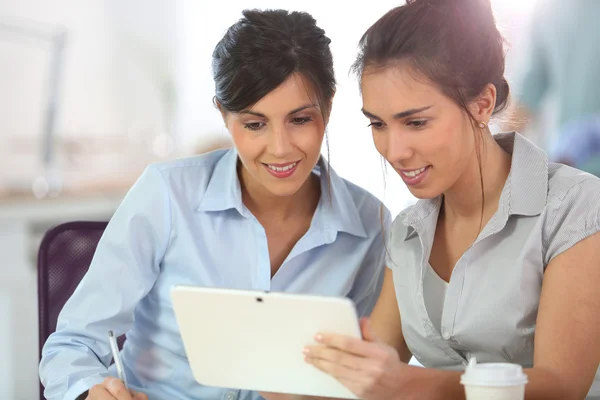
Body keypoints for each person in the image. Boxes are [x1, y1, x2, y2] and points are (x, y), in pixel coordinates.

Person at [39, 9, 390, 400]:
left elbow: (367, 375)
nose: (280, 148)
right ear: (223, 115)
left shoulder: (370, 225)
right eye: (254, 124)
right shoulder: (166, 195)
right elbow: (72, 345)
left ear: (328, 107)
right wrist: (89, 393)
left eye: (300, 119)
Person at [263, 0, 600, 399]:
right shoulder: (407, 231)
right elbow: (374, 367)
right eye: (378, 124)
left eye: (416, 122)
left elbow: (560, 387)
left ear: (482, 103)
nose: (395, 150)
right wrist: (294, 380)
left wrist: (408, 384)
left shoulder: (575, 207)